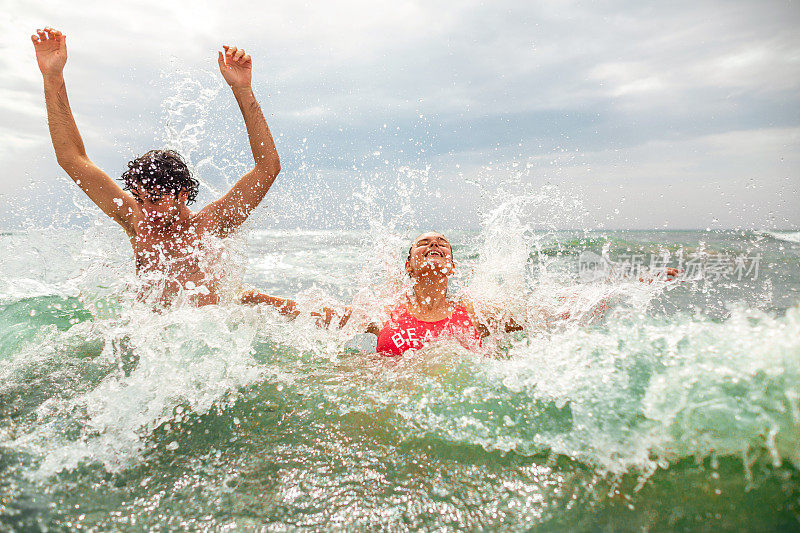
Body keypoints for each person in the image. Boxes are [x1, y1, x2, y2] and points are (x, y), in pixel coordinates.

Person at [32, 28, 281, 306]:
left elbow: (267, 169)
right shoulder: (135, 221)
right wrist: (52, 77)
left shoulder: (211, 225)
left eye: (154, 200)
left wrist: (242, 89)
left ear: (183, 194)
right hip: (149, 339)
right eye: (139, 199)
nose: (146, 210)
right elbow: (72, 160)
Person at [241, 231, 683, 356]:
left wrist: (625, 288)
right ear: (410, 265)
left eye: (443, 246)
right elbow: (322, 312)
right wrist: (257, 297)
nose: (433, 247)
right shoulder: (384, 311)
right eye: (423, 245)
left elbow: (552, 310)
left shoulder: (477, 312)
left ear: (451, 266)